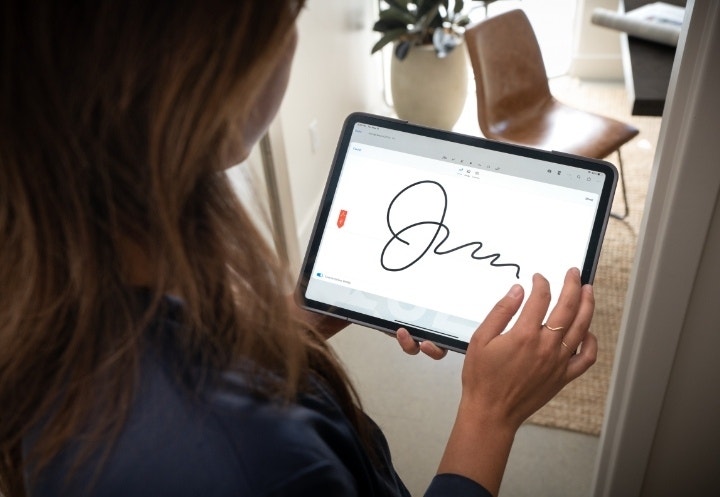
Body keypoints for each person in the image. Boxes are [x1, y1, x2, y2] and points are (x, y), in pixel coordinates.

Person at [0, 1, 597, 496]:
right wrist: (489, 414)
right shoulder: (254, 463)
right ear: (213, 75)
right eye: (291, 16)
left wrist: (285, 329)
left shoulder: (48, 285)